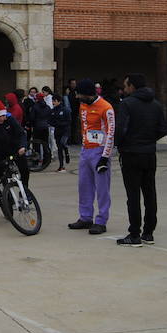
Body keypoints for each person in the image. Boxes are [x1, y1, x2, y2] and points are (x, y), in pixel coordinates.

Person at [114, 73, 167, 247]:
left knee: (133, 195)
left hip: (131, 153)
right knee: (150, 192)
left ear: (132, 87)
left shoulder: (127, 104)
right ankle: (148, 232)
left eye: (126, 85)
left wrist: (121, 143)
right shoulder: (156, 105)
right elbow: (162, 128)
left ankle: (134, 233)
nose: (124, 88)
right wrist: (149, 139)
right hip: (149, 153)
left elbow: (121, 129)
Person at [68, 78, 115, 235]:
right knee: (84, 186)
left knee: (102, 189)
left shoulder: (106, 108)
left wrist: (105, 156)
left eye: (79, 94)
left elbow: (110, 133)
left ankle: (101, 220)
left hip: (99, 151)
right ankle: (85, 217)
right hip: (86, 150)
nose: (77, 97)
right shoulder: (83, 105)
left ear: (88, 94)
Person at [0, 99, 29, 214]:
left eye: (3, 115)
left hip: (16, 151)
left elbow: (21, 133)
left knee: (25, 170)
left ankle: (25, 192)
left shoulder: (10, 120)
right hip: (1, 154)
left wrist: (22, 146)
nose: (2, 118)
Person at [29, 92, 53, 168]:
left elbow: (32, 118)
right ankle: (46, 161)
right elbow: (50, 116)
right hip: (45, 127)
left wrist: (32, 125)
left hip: (37, 127)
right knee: (45, 144)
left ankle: (36, 161)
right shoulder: (47, 107)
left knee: (36, 145)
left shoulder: (35, 107)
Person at [48, 96, 71, 172]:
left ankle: (66, 151)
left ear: (59, 101)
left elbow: (68, 121)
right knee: (59, 148)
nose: (53, 103)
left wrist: (60, 123)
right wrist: (54, 124)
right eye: (52, 101)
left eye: (54, 101)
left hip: (65, 131)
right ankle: (61, 165)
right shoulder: (52, 111)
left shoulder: (65, 110)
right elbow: (50, 121)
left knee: (62, 143)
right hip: (57, 131)